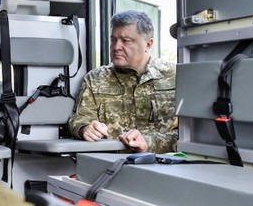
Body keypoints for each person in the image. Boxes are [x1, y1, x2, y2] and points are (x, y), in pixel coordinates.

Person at [68, 10, 177, 153]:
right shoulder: (96, 78)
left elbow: (189, 133)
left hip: (164, 162)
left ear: (148, 44)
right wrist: (85, 128)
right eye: (113, 40)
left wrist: (149, 143)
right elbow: (79, 119)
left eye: (126, 41)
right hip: (110, 162)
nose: (116, 47)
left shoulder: (174, 76)